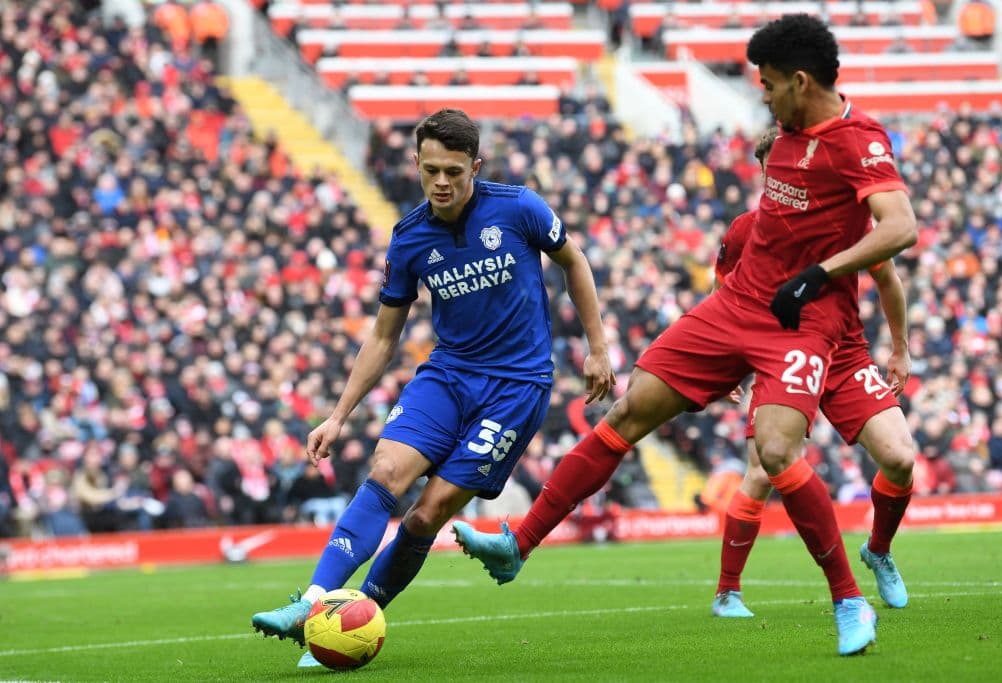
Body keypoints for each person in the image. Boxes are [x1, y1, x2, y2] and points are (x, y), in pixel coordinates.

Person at [453, 14, 917, 657]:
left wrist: (822, 274)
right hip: (735, 306)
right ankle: (519, 543)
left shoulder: (860, 140)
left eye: (770, 83)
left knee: (779, 453)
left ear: (801, 82)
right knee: (628, 410)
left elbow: (900, 229)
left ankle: (848, 596)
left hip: (804, 321)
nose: (762, 95)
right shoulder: (785, 130)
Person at [251, 108, 614, 665]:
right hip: (447, 375)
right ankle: (314, 603)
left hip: (516, 387)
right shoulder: (409, 237)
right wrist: (339, 415)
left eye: (453, 171)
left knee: (425, 515)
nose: (441, 182)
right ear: (416, 165)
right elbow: (382, 336)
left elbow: (575, 262)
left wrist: (597, 348)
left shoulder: (519, 208)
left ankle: (344, 623)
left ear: (475, 165)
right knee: (385, 472)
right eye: (429, 170)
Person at [710, 129, 915, 618]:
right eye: (768, 171)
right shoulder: (744, 230)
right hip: (777, 353)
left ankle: (879, 550)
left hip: (843, 353)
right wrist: (730, 359)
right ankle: (727, 591)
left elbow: (887, 280)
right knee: (761, 470)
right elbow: (724, 290)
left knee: (902, 459)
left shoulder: (848, 222)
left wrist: (900, 350)